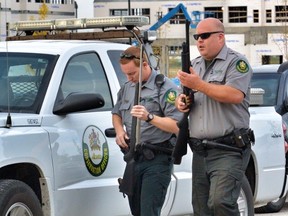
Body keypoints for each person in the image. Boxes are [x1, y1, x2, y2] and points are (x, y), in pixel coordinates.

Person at [175, 18, 254, 216]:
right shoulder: (194, 65)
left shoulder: (237, 62)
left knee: (221, 202)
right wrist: (182, 102)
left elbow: (234, 94)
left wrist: (199, 84)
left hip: (228, 148)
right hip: (201, 150)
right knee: (201, 209)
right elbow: (184, 97)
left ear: (220, 37)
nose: (199, 41)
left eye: (204, 36)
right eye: (196, 37)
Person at [112, 46, 183, 216]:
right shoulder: (128, 87)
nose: (129, 78)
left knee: (149, 212)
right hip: (134, 158)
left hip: (157, 158)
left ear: (144, 65)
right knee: (136, 211)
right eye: (126, 74)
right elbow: (116, 113)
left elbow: (177, 126)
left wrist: (150, 117)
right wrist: (119, 131)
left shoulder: (165, 88)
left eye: (132, 73)